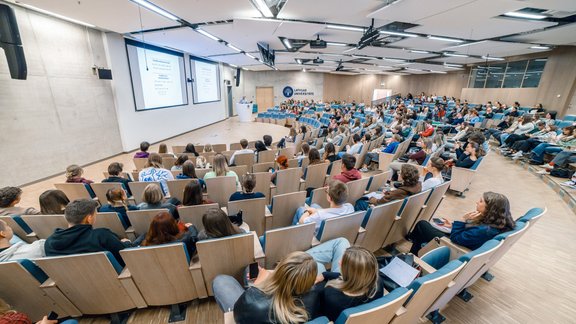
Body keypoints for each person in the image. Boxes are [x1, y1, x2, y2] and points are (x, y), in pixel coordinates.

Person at [212, 252, 320, 323]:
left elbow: (237, 315)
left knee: (220, 280)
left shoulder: (252, 299)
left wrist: (257, 285)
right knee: (248, 270)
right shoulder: (315, 293)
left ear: (280, 268)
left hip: (244, 314)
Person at [408, 192, 515, 254]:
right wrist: (454, 225)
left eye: (481, 201)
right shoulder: (496, 222)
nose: (477, 202)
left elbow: (456, 239)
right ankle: (416, 245)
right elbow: (471, 232)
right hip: (462, 242)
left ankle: (413, 252)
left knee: (422, 224)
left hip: (454, 247)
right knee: (433, 226)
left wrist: (462, 220)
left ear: (491, 208)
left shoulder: (484, 231)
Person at [45, 199, 131, 267]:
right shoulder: (101, 236)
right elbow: (127, 258)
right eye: (95, 215)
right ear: (89, 218)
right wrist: (126, 243)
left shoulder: (49, 243)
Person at [318, 246, 384, 321]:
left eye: (342, 261)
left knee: (319, 265)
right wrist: (325, 274)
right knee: (342, 242)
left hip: (328, 317)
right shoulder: (377, 283)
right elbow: (351, 279)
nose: (339, 262)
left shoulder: (332, 294)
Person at [133, 211, 198, 256]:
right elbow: (194, 238)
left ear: (153, 227)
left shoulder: (145, 245)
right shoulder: (184, 240)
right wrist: (192, 227)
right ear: (173, 226)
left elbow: (135, 244)